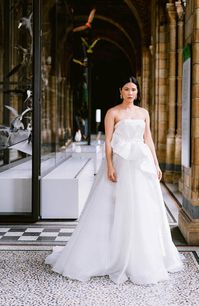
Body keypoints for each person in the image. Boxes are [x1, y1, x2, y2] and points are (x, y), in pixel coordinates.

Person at [45, 76, 183, 285]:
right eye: (126, 89)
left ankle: (142, 254)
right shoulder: (113, 112)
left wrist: (155, 164)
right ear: (120, 91)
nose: (130, 93)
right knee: (114, 205)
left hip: (141, 164)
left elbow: (149, 140)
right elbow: (108, 142)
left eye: (133, 89)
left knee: (143, 206)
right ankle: (111, 253)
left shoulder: (144, 113)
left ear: (138, 92)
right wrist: (109, 166)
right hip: (121, 163)